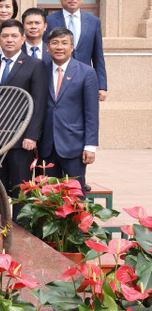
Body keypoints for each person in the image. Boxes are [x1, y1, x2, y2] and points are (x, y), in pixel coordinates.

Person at [0, 19, 48, 211]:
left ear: (23, 39)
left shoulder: (35, 65)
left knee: (21, 190)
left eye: (14, 36)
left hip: (21, 139)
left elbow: (39, 102)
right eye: (5, 36)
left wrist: (32, 135)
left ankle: (21, 234)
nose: (9, 40)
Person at [39, 27, 99, 192]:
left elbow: (92, 113)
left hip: (75, 145)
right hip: (47, 146)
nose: (59, 47)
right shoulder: (40, 70)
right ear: (47, 47)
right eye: (55, 43)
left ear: (72, 47)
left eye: (64, 43)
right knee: (47, 197)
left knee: (76, 195)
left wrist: (90, 146)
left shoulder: (86, 72)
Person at [43, 0, 107, 101]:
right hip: (56, 80)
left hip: (84, 80)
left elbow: (98, 56)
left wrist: (102, 86)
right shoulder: (49, 21)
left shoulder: (94, 22)